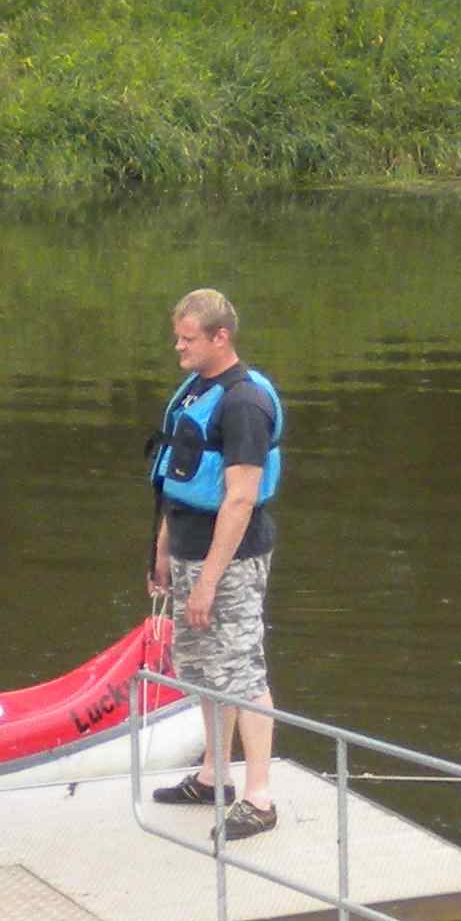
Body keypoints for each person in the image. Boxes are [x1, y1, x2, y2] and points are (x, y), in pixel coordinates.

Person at [147, 286, 284, 839]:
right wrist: (162, 550)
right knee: (202, 667)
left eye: (188, 339)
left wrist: (208, 581)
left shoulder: (244, 404)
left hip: (230, 560)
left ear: (220, 337)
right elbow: (177, 479)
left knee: (242, 671)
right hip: (186, 546)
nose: (178, 347)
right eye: (177, 337)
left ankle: (259, 796)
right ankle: (213, 776)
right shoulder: (196, 390)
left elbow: (240, 499)